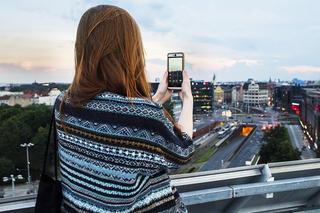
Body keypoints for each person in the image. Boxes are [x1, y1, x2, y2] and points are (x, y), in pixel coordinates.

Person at [55, 5, 194, 213]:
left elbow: (122, 132)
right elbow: (182, 152)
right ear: (130, 51)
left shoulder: (63, 103)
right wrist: (188, 99)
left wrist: (155, 101)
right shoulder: (143, 117)